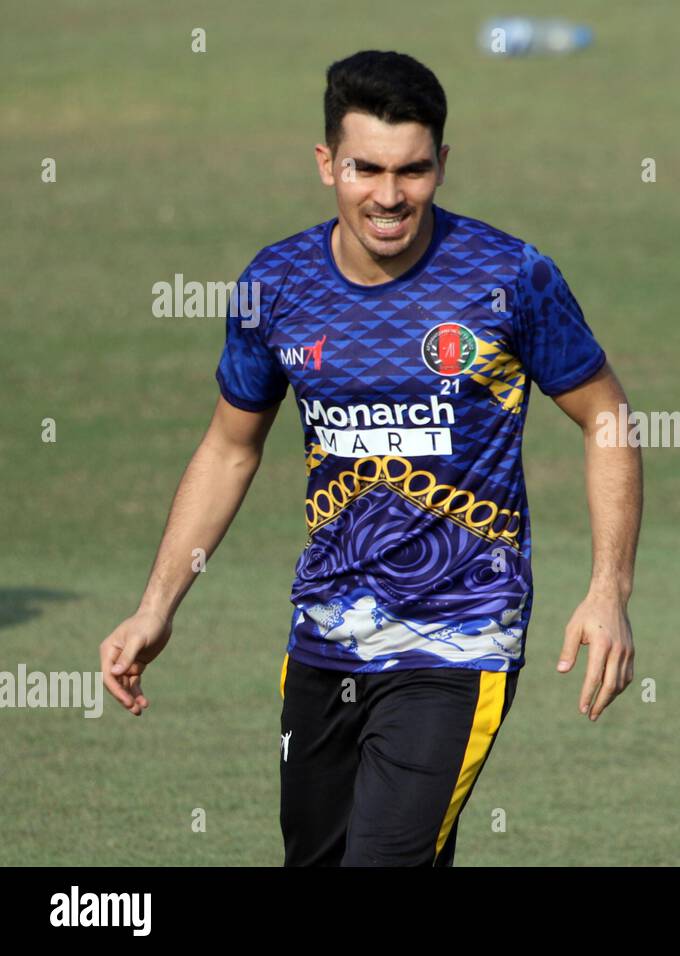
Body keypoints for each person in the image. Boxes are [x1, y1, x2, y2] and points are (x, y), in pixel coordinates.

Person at [97, 50, 642, 866]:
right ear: (327, 164)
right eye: (367, 169)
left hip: (461, 637)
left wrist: (608, 590)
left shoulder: (508, 277)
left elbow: (607, 417)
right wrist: (157, 604)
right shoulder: (274, 285)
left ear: (442, 164)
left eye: (414, 170)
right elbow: (228, 448)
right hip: (324, 633)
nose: (390, 196)